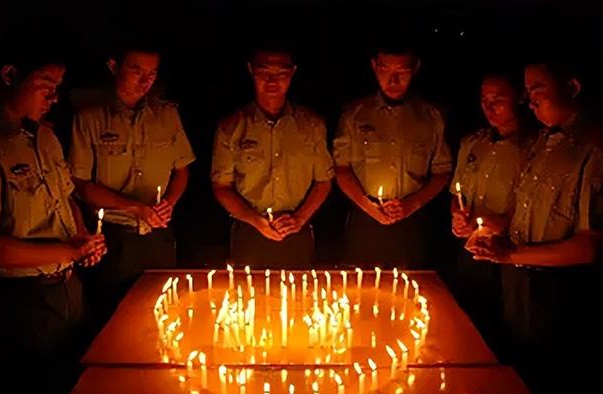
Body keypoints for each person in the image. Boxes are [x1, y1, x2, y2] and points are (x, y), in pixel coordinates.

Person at [0, 49, 106, 394]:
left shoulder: (45, 137)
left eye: (58, 87)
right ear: (9, 74)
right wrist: (69, 251)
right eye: (46, 85)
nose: (55, 97)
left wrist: (81, 236)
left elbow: (66, 198)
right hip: (22, 306)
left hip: (68, 293)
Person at [469, 60, 602, 394]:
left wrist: (512, 254)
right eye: (527, 92)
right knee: (519, 379)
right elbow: (526, 212)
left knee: (553, 387)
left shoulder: (593, 149)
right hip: (519, 284)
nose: (530, 101)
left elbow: (589, 247)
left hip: (558, 292)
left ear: (571, 87)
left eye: (537, 90)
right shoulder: (542, 143)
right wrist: (490, 230)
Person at [69, 45, 195, 315]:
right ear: (114, 67)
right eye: (136, 70)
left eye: (152, 73)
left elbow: (182, 170)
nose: (145, 80)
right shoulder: (89, 118)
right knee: (112, 317)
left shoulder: (167, 115)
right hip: (112, 240)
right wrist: (134, 207)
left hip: (157, 238)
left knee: (162, 315)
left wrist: (169, 203)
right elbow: (80, 183)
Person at [211, 47, 333, 268]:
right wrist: (255, 221)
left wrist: (299, 219)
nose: (272, 80)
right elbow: (221, 187)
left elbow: (323, 181)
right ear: (251, 70)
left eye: (281, 73)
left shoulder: (312, 125)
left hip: (297, 231)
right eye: (264, 71)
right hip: (249, 232)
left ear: (293, 72)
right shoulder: (231, 127)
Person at [334, 45, 452, 268]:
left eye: (402, 72)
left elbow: (442, 171)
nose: (393, 80)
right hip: (364, 220)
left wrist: (411, 204)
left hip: (412, 224)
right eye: (385, 70)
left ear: (415, 68)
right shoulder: (354, 114)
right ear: (374, 67)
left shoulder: (431, 117)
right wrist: (369, 207)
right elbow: (341, 169)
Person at [449, 72, 534, 352]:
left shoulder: (534, 148)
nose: (489, 107)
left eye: (498, 99)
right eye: (484, 100)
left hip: (511, 255)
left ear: (521, 98)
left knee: (506, 332)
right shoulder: (473, 143)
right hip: (471, 252)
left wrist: (502, 224)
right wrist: (458, 217)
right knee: (468, 327)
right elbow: (457, 194)